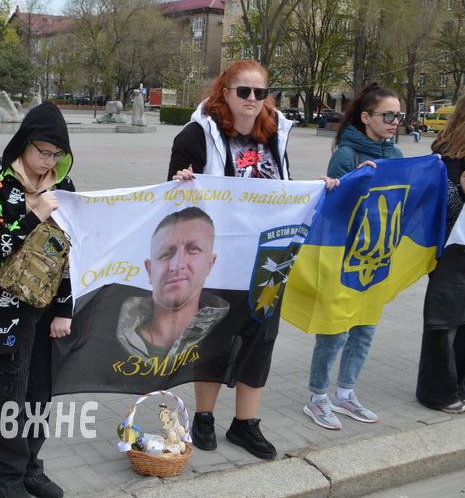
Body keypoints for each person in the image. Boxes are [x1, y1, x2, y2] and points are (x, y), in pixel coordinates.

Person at [167, 59, 338, 460]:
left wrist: (318, 188)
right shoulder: (196, 134)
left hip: (267, 259)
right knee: (212, 337)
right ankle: (204, 417)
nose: (252, 99)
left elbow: (281, 190)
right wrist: (178, 185)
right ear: (224, 91)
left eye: (260, 92)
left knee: (261, 339)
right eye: (243, 91)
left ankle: (245, 424)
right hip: (219, 258)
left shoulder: (275, 133)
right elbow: (172, 197)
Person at [0, 101, 74, 498]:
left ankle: (32, 466)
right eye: (42, 152)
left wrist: (66, 309)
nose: (47, 162)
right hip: (9, 309)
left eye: (56, 155)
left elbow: (74, 253)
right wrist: (33, 215)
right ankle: (7, 476)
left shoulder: (66, 189)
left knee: (39, 394)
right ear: (23, 145)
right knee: (10, 393)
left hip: (51, 311)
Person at [302, 83, 404, 430]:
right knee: (335, 331)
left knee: (365, 329)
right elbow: (335, 208)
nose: (395, 122)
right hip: (344, 256)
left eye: (398, 116)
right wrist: (331, 188)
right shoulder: (347, 155)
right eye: (388, 115)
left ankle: (345, 394)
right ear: (366, 117)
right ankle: (317, 398)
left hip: (378, 256)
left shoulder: (397, 156)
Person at [52, 207, 229, 393]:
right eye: (166, 253)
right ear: (149, 269)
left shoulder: (225, 336)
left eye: (193, 249)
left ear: (211, 264)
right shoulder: (102, 328)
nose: (177, 266)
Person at [416, 87, 465, 414]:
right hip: (452, 251)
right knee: (444, 322)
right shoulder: (445, 152)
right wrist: (461, 191)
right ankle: (436, 392)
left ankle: (460, 386)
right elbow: (431, 205)